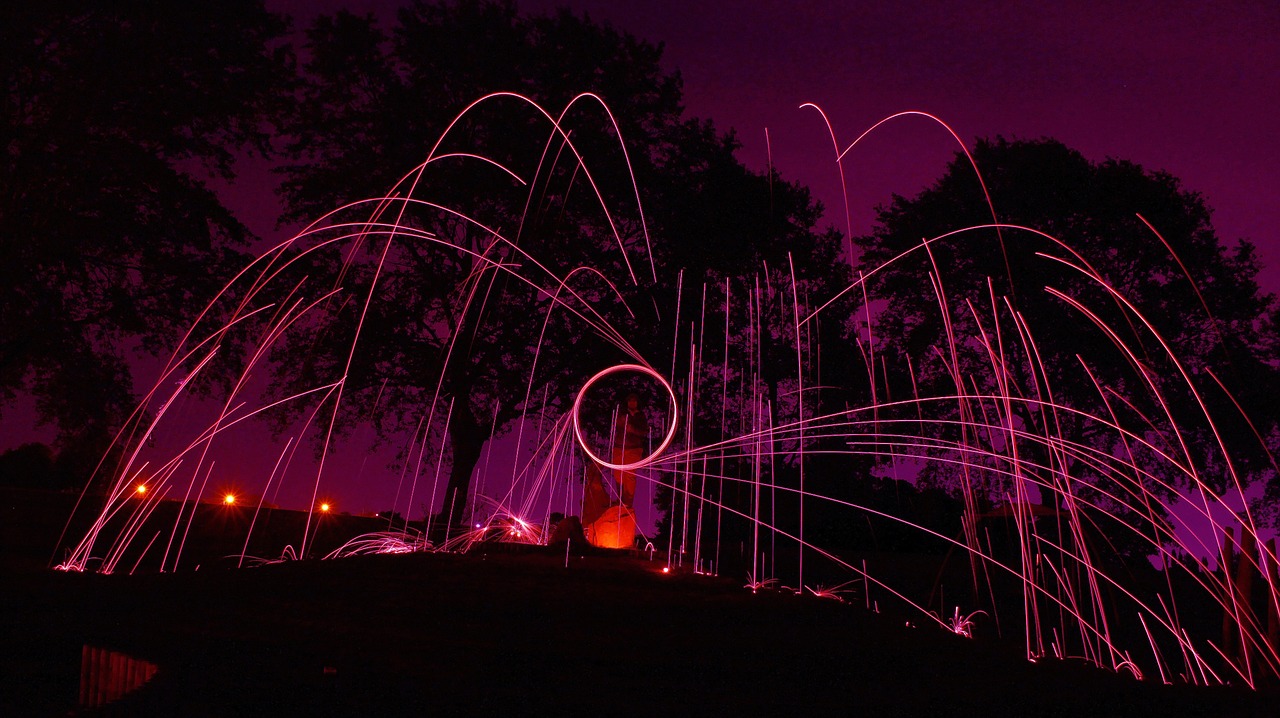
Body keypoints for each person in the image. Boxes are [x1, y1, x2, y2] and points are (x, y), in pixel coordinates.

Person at [612, 392, 648, 508]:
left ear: (637, 403)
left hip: (634, 449)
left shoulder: (641, 416)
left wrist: (632, 429)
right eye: (630, 400)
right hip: (619, 447)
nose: (632, 402)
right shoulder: (622, 414)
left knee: (629, 475)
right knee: (618, 474)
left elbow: (644, 432)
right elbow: (616, 424)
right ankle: (620, 499)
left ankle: (628, 502)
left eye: (634, 400)